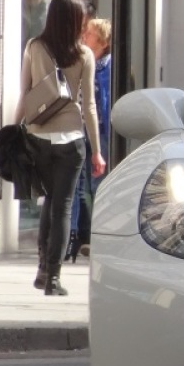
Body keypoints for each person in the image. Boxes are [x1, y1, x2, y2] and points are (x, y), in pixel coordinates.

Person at [18, 0, 105, 296]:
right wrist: (98, 151)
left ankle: (43, 268)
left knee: (49, 202)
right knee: (63, 206)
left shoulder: (34, 47)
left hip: (39, 136)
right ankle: (53, 278)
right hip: (71, 139)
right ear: (74, 21)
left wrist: (14, 130)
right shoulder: (84, 55)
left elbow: (25, 94)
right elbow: (89, 106)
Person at [67, 17, 112, 260]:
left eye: (90, 33)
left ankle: (99, 236)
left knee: (98, 186)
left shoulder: (109, 67)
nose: (84, 36)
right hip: (78, 130)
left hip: (101, 133)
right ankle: (73, 236)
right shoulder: (80, 61)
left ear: (103, 41)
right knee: (76, 186)